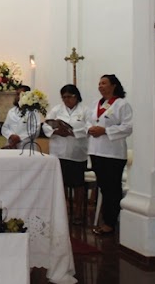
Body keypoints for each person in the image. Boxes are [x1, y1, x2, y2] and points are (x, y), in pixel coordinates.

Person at [86, 74, 133, 236]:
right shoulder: (96, 103)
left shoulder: (121, 104)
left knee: (112, 188)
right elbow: (88, 120)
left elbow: (128, 127)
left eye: (104, 83)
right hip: (96, 150)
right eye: (99, 83)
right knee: (104, 187)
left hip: (113, 152)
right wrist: (90, 128)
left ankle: (110, 222)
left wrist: (105, 130)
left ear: (113, 85)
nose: (100, 86)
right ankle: (106, 220)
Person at [42, 84, 89, 224]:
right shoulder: (56, 110)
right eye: (64, 97)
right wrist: (55, 131)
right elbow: (46, 125)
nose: (66, 100)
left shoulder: (85, 110)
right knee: (60, 183)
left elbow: (88, 127)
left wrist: (72, 132)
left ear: (76, 96)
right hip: (59, 152)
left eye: (69, 97)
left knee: (78, 184)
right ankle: (62, 211)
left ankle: (78, 212)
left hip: (77, 152)